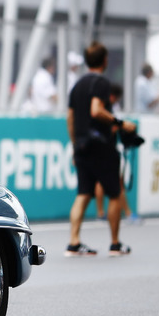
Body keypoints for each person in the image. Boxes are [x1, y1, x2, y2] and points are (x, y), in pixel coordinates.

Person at [66, 42, 137, 256]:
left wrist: (75, 144)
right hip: (102, 147)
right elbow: (96, 110)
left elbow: (70, 118)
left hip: (82, 146)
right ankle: (115, 244)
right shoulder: (102, 83)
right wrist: (119, 122)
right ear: (104, 60)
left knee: (83, 193)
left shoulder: (77, 86)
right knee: (114, 193)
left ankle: (74, 242)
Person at [94, 83, 139, 224]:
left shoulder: (102, 107)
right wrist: (121, 125)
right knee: (117, 184)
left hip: (100, 149)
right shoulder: (105, 109)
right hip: (106, 149)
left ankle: (101, 212)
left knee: (101, 181)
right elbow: (108, 129)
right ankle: (127, 213)